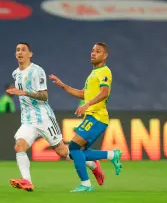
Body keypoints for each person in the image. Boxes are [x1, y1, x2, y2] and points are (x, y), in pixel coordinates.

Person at [6, 42, 104, 192]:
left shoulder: (37, 71)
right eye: (17, 50)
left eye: (23, 50)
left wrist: (24, 92)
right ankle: (27, 181)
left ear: (30, 54)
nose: (20, 52)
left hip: (44, 118)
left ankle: (92, 164)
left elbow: (44, 96)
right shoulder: (15, 73)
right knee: (19, 146)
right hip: (27, 121)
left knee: (63, 152)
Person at [49, 42, 122, 192]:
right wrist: (63, 85)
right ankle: (111, 155)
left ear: (105, 56)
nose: (93, 53)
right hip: (92, 117)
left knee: (74, 147)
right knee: (78, 151)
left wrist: (87, 104)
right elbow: (83, 94)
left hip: (97, 117)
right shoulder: (93, 74)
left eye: (98, 51)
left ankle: (86, 184)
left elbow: (104, 93)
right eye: (92, 51)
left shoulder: (105, 71)